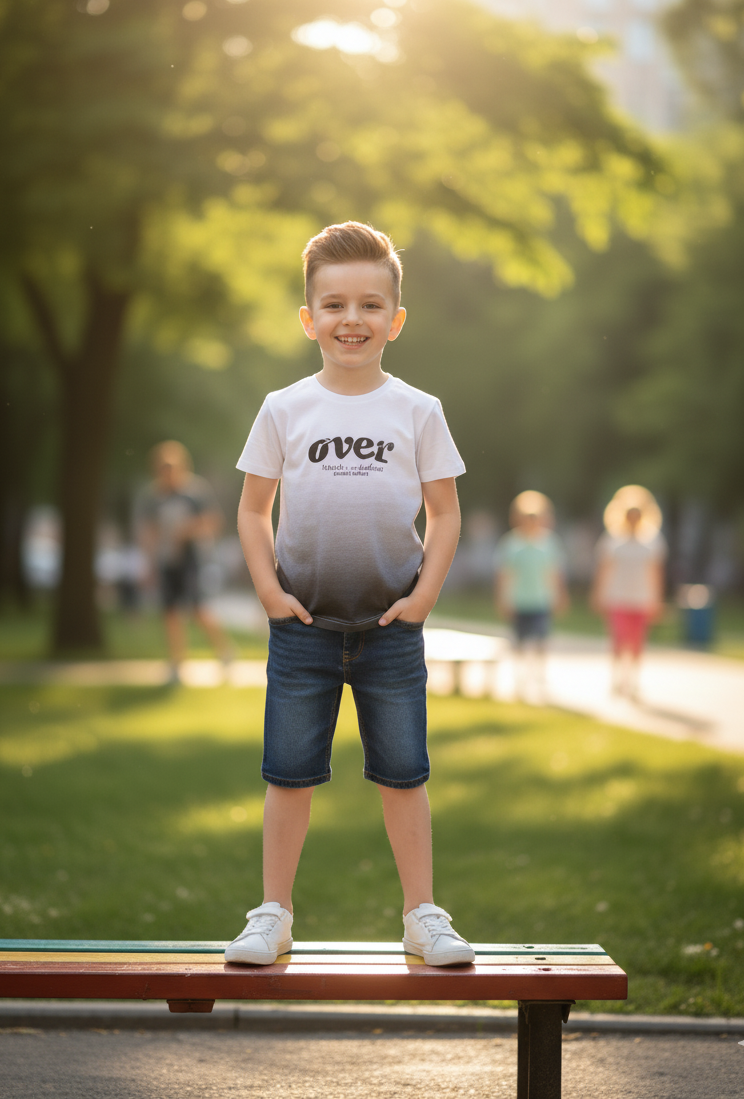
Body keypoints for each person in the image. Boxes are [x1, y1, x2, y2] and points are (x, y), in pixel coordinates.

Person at [228, 221, 473, 967]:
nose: (352, 319)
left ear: (395, 320)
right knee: (288, 775)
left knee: (404, 774)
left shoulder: (418, 410)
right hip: (302, 626)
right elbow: (251, 508)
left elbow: (446, 512)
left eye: (370, 305)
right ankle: (273, 913)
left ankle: (422, 915)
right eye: (334, 305)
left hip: (390, 626)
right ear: (309, 319)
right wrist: (269, 592)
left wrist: (424, 598)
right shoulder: (283, 407)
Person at [138, 440, 232, 684]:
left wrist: (186, 531)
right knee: (170, 612)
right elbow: (148, 530)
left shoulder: (195, 492)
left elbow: (213, 522)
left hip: (192, 559)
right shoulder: (153, 496)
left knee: (199, 610)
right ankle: (177, 662)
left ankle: (225, 652)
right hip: (166, 560)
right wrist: (148, 562)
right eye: (163, 467)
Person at [590, 485, 666, 700]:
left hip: (642, 598)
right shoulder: (612, 539)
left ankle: (632, 680)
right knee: (619, 639)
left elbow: (656, 573)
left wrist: (657, 599)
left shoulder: (653, 540)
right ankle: (617, 679)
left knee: (637, 642)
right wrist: (598, 594)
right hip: (618, 597)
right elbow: (603, 570)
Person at [494, 490, 568, 703]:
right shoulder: (510, 544)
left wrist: (561, 596)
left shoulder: (549, 543)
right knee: (519, 642)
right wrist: (502, 599)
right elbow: (504, 574)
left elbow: (555, 573)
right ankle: (520, 679)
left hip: (541, 600)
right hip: (518, 601)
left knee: (541, 641)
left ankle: (539, 676)